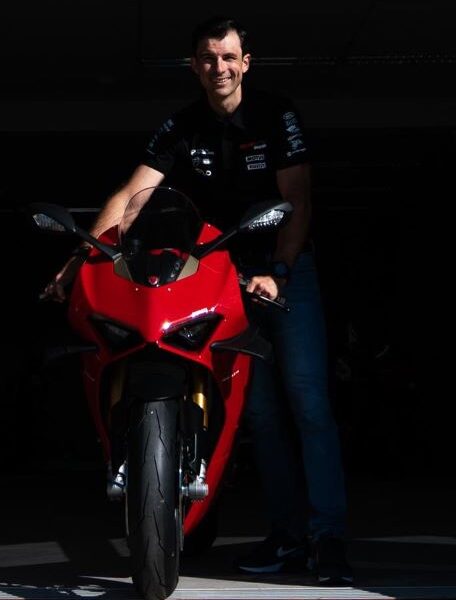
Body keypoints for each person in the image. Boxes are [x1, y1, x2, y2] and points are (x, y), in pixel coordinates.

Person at [43, 15, 352, 585]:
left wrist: (280, 272)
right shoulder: (182, 125)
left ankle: (329, 536)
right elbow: (132, 197)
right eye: (209, 58)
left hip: (284, 271)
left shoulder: (276, 115)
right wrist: (80, 258)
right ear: (195, 66)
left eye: (229, 57)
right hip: (222, 274)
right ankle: (288, 536)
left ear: (246, 63)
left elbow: (298, 199)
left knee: (308, 401)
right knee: (258, 413)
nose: (220, 67)